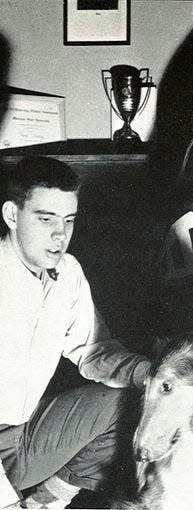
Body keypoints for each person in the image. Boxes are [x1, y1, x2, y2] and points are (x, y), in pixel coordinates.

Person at [0, 156, 151, 509]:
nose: (59, 235)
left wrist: (151, 375)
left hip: (23, 437)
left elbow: (93, 350)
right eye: (46, 219)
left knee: (131, 402)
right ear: (11, 215)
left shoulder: (67, 272)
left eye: (69, 220)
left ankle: (42, 503)